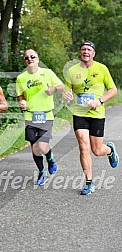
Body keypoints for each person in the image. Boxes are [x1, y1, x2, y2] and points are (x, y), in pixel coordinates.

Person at [63, 40, 119, 195]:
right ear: (80, 53)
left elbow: (113, 90)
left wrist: (99, 100)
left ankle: (109, 150)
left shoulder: (101, 69)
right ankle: (89, 182)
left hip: (96, 114)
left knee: (96, 150)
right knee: (83, 145)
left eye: (89, 49)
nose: (85, 52)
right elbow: (67, 92)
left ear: (93, 53)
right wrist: (66, 95)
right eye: (83, 49)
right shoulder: (72, 70)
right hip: (79, 113)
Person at [16, 49, 64, 185]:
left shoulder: (47, 73)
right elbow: (20, 95)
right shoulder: (21, 77)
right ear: (24, 61)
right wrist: (21, 102)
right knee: (35, 148)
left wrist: (53, 90)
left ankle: (50, 158)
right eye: (26, 58)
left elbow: (62, 86)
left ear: (37, 58)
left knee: (42, 146)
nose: (29, 59)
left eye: (32, 56)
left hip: (46, 115)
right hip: (30, 116)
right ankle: (42, 171)